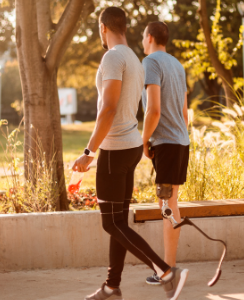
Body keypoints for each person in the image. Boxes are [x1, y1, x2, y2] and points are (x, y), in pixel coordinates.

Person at [72, 8, 188, 300]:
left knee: (110, 222)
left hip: (114, 150)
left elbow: (108, 108)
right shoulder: (136, 59)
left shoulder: (113, 57)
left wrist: (89, 151)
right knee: (119, 221)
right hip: (132, 145)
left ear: (103, 28)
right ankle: (112, 286)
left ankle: (164, 270)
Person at [140, 21, 190, 286]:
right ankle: (168, 266)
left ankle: (167, 270)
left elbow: (154, 110)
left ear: (149, 37)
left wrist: (144, 140)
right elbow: (184, 111)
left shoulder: (150, 63)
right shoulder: (177, 65)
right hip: (181, 142)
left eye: (142, 37)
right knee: (170, 205)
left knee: (167, 206)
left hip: (167, 144)